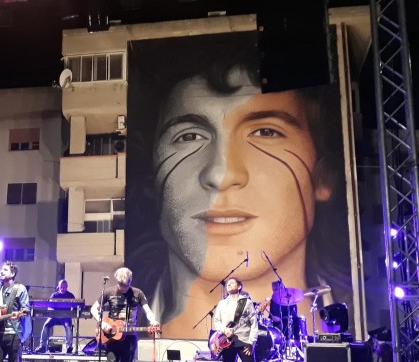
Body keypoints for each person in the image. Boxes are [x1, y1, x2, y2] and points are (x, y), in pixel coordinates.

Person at [125, 31, 351, 339]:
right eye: (189, 136)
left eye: (266, 132)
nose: (221, 174)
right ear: (152, 175)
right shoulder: (130, 321)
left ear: (323, 176)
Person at [90, 267, 159, 362]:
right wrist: (102, 323)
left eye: (125, 285)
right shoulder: (108, 292)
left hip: (130, 337)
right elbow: (94, 309)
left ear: (130, 281)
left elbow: (147, 310)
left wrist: (153, 321)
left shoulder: (137, 293)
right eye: (120, 285)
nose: (122, 288)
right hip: (112, 337)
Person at [212, 278, 261, 362]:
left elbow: (254, 324)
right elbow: (217, 321)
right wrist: (224, 330)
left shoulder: (246, 302)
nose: (228, 284)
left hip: (244, 342)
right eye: (228, 283)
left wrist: (251, 342)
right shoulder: (222, 303)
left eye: (232, 282)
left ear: (239, 286)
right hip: (226, 342)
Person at [35, 279, 76, 353]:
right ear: (58, 287)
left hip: (65, 317)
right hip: (54, 317)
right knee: (46, 325)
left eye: (64, 287)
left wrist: (71, 312)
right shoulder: (54, 295)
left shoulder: (70, 295)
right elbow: (49, 306)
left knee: (68, 327)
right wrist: (52, 312)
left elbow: (75, 306)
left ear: (67, 287)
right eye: (61, 287)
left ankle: (69, 347)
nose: (63, 288)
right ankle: (42, 346)